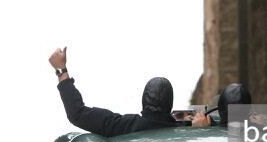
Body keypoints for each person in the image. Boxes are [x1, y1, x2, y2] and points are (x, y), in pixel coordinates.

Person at [48, 47, 178, 137]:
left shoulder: (124, 126)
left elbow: (78, 113)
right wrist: (197, 131)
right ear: (169, 103)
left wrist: (61, 71)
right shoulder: (182, 132)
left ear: (144, 99)